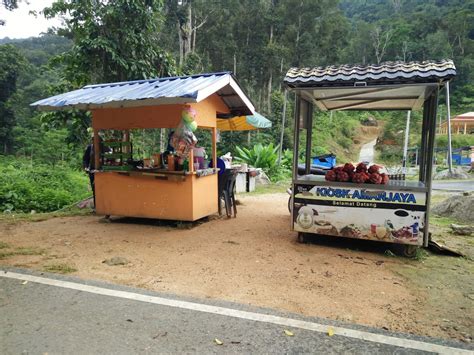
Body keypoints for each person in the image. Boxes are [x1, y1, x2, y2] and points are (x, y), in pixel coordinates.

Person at [83, 136, 97, 210]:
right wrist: (86, 167)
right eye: (93, 141)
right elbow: (85, 159)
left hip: (101, 172)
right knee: (94, 188)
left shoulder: (104, 148)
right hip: (92, 171)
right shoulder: (90, 148)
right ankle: (96, 205)